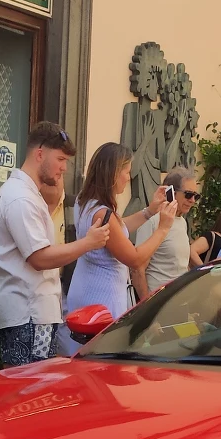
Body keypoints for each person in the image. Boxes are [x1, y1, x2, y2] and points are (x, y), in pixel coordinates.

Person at [0, 122, 109, 367]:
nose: (64, 168)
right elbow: (40, 258)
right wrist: (88, 243)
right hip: (29, 313)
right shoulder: (21, 198)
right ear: (39, 154)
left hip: (29, 312)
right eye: (60, 159)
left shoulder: (25, 194)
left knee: (28, 389)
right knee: (29, 390)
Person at [60, 143, 176, 352]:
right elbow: (134, 259)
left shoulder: (85, 202)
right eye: (127, 172)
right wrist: (163, 229)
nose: (128, 178)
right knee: (100, 359)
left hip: (85, 288)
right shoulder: (102, 212)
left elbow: (118, 230)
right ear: (113, 174)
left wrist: (149, 211)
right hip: (102, 298)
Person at [131, 166, 199, 296]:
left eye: (196, 196)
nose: (192, 200)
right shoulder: (153, 220)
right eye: (188, 195)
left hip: (178, 300)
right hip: (158, 302)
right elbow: (138, 269)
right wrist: (147, 305)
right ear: (171, 192)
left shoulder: (182, 221)